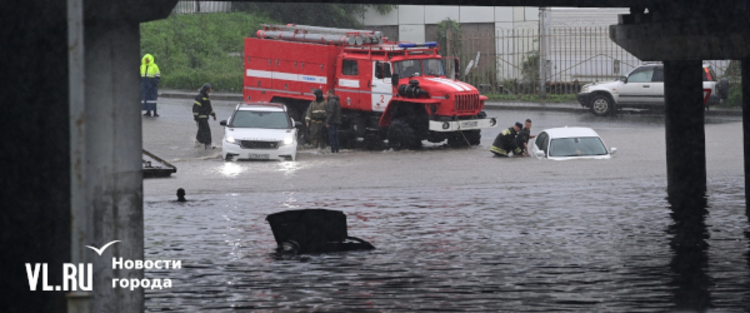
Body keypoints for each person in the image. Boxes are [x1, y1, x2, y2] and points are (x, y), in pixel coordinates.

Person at [193, 83, 217, 149]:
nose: (209, 92)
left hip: (205, 117)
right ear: (204, 90)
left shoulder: (207, 97)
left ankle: (199, 142)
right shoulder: (199, 97)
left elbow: (209, 108)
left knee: (201, 130)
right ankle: (208, 144)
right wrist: (196, 116)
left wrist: (213, 114)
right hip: (200, 117)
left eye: (209, 91)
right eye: (208, 91)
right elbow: (196, 107)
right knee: (206, 130)